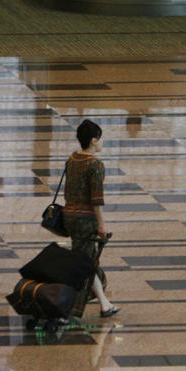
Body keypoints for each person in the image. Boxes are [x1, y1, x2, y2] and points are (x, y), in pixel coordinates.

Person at [63, 119, 118, 318]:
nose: (102, 142)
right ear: (93, 140)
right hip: (85, 220)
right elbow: (96, 199)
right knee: (84, 263)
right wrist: (101, 224)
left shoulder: (72, 158)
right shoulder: (95, 164)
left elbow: (67, 190)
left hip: (69, 215)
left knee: (86, 261)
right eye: (101, 138)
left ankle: (104, 304)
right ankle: (69, 306)